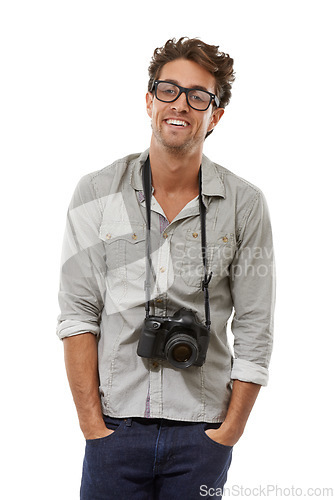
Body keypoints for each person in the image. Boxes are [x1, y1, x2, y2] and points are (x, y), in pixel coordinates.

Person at [57, 37, 275, 499]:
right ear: (149, 99)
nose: (181, 105)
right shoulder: (96, 191)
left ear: (215, 115)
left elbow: (256, 327)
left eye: (199, 96)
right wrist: (92, 426)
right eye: (169, 90)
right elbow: (78, 314)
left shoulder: (245, 205)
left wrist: (229, 432)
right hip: (115, 426)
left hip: (202, 431)